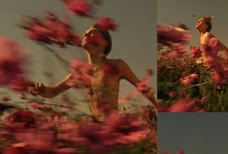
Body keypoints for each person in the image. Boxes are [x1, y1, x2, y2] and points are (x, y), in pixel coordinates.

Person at [30, 24, 158, 121]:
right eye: (85, 33)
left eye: (92, 33)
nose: (86, 35)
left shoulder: (117, 65)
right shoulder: (79, 72)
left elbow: (142, 87)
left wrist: (159, 108)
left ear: (104, 42)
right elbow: (53, 92)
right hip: (96, 129)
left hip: (113, 128)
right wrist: (41, 90)